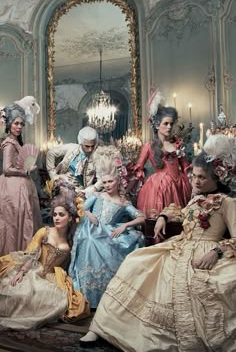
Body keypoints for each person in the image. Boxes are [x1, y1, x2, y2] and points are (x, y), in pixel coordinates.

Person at [80, 134, 236, 351]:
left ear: (216, 178)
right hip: (180, 245)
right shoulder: (195, 198)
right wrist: (164, 216)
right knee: (135, 261)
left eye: (201, 178)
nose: (196, 181)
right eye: (194, 176)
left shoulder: (227, 202)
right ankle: (100, 326)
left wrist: (216, 252)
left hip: (206, 251)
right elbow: (181, 214)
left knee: (192, 285)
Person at [0, 188, 90, 330]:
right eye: (54, 214)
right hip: (33, 269)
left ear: (70, 218)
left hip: (52, 277)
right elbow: (31, 254)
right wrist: (21, 272)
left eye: (61, 215)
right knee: (18, 292)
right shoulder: (45, 231)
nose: (57, 218)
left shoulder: (71, 240)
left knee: (58, 300)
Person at [68, 146, 145, 308]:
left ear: (118, 182)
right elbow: (81, 206)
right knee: (90, 239)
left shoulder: (124, 203)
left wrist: (125, 225)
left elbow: (141, 217)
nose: (108, 185)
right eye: (105, 182)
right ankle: (88, 296)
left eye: (111, 181)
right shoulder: (98, 195)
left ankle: (109, 299)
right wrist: (89, 215)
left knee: (111, 243)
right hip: (92, 228)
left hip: (110, 232)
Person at [135, 90, 192, 216]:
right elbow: (138, 168)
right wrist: (137, 182)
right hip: (161, 186)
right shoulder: (149, 146)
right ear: (156, 125)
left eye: (171, 124)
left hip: (181, 184)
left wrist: (192, 179)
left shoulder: (177, 143)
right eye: (165, 123)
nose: (169, 127)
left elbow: (186, 166)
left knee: (180, 218)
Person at [0, 97, 42, 255]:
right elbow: (7, 169)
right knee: (14, 222)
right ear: (9, 123)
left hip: (21, 187)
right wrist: (26, 171)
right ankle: (14, 254)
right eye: (16, 123)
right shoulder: (9, 144)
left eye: (21, 124)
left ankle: (24, 251)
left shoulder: (16, 141)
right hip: (12, 188)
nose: (19, 127)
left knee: (23, 220)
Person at [46, 126, 102, 198]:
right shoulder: (71, 147)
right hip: (63, 189)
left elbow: (101, 180)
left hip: (81, 194)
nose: (90, 149)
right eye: (87, 146)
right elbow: (50, 153)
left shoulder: (98, 157)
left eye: (93, 146)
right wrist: (54, 176)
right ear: (80, 143)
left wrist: (86, 192)